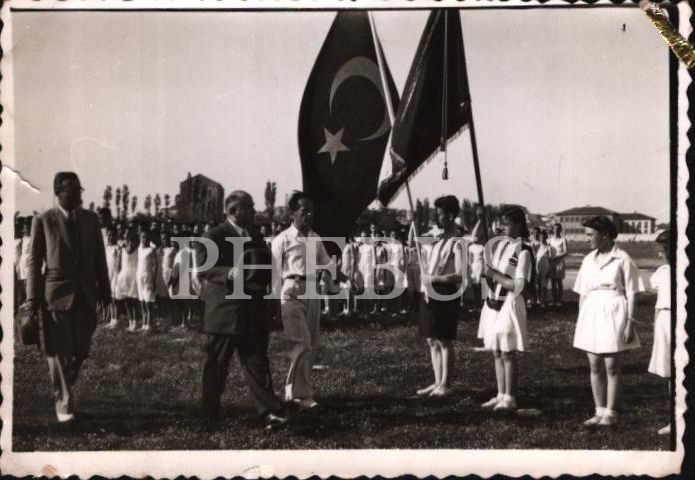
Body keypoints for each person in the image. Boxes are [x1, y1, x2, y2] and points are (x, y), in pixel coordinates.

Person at [25, 172, 111, 426]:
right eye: (71, 190)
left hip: (86, 295)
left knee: (81, 349)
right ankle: (64, 404)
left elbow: (100, 258)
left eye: (79, 190)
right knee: (58, 350)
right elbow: (34, 263)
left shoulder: (90, 220)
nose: (77, 195)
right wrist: (32, 299)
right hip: (56, 295)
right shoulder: (43, 221)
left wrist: (105, 292)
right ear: (58, 192)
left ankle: (64, 386)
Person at [196, 190, 287, 430]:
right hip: (224, 315)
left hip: (252, 313)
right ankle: (209, 413)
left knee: (257, 363)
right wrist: (228, 273)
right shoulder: (214, 235)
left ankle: (269, 411)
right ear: (234, 211)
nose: (254, 211)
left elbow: (266, 265)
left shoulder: (255, 234)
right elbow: (203, 268)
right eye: (250, 207)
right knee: (217, 365)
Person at [572, 215, 643, 427]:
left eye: (590, 234)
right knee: (594, 364)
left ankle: (611, 413)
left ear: (604, 235)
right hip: (591, 312)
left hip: (614, 311)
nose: (587, 239)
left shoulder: (623, 259)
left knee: (611, 365)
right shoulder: (588, 260)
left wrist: (630, 322)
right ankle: (599, 411)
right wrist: (581, 320)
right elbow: (583, 293)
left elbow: (633, 293)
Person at [271, 191, 338, 409]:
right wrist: (274, 302)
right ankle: (300, 395)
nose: (309, 215)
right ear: (292, 213)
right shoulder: (282, 239)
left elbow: (326, 262)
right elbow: (274, 273)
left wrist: (344, 278)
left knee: (312, 343)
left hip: (312, 290)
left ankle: (297, 392)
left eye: (312, 211)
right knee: (301, 342)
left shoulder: (315, 238)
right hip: (291, 290)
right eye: (304, 211)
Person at [478, 206, 534, 411]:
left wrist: (494, 274)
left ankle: (510, 397)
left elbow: (519, 286)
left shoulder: (524, 251)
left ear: (518, 224)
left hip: (510, 303)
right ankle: (500, 394)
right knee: (497, 351)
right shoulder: (499, 247)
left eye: (506, 223)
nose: (501, 227)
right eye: (500, 223)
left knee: (508, 351)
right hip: (494, 303)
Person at [416, 196, 465, 397]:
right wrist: (414, 223)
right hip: (429, 290)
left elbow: (460, 275)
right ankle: (437, 382)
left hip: (445, 292)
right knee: (431, 339)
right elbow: (414, 241)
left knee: (444, 339)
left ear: (450, 216)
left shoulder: (457, 242)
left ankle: (446, 384)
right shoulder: (436, 238)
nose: (436, 217)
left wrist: (433, 278)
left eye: (439, 214)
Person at [648, 229, 672, 435]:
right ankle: (674, 420)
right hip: (664, 319)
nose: (659, 253)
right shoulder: (662, 272)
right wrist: (656, 325)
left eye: (662, 250)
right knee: (670, 372)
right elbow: (659, 302)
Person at [116, 230, 140, 331]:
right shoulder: (122, 249)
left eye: (128, 236)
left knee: (134, 300)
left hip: (133, 275)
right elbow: (119, 265)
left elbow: (130, 249)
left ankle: (135, 322)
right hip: (124, 276)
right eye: (125, 236)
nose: (126, 238)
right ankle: (130, 322)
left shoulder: (137, 248)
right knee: (127, 300)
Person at [136, 229, 158, 331]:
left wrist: (153, 279)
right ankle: (144, 324)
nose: (145, 239)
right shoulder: (139, 249)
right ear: (140, 238)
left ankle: (149, 326)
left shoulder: (152, 250)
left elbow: (155, 265)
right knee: (142, 302)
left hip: (148, 278)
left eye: (147, 237)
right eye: (143, 237)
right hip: (139, 277)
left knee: (149, 302)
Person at [104, 227, 121, 328]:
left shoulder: (117, 248)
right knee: (110, 297)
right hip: (108, 274)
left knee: (115, 298)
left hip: (115, 274)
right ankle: (112, 318)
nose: (111, 237)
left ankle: (116, 319)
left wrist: (116, 275)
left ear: (116, 236)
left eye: (113, 235)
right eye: (109, 235)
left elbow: (118, 264)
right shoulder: (106, 248)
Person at [548, 223, 568, 308]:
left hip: (559, 262)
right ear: (553, 229)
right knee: (553, 282)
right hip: (552, 262)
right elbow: (548, 250)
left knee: (559, 282)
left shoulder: (563, 239)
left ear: (560, 230)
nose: (556, 230)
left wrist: (557, 257)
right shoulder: (550, 240)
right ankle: (554, 300)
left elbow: (566, 252)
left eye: (557, 228)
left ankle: (559, 300)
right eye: (554, 228)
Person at [535, 230, 555, 308]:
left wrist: (550, 270)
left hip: (545, 267)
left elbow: (551, 259)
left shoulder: (549, 247)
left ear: (546, 237)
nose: (542, 238)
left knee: (544, 284)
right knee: (537, 284)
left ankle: (543, 301)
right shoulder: (537, 246)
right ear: (539, 238)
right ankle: (538, 299)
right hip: (537, 266)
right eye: (541, 237)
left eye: (543, 237)